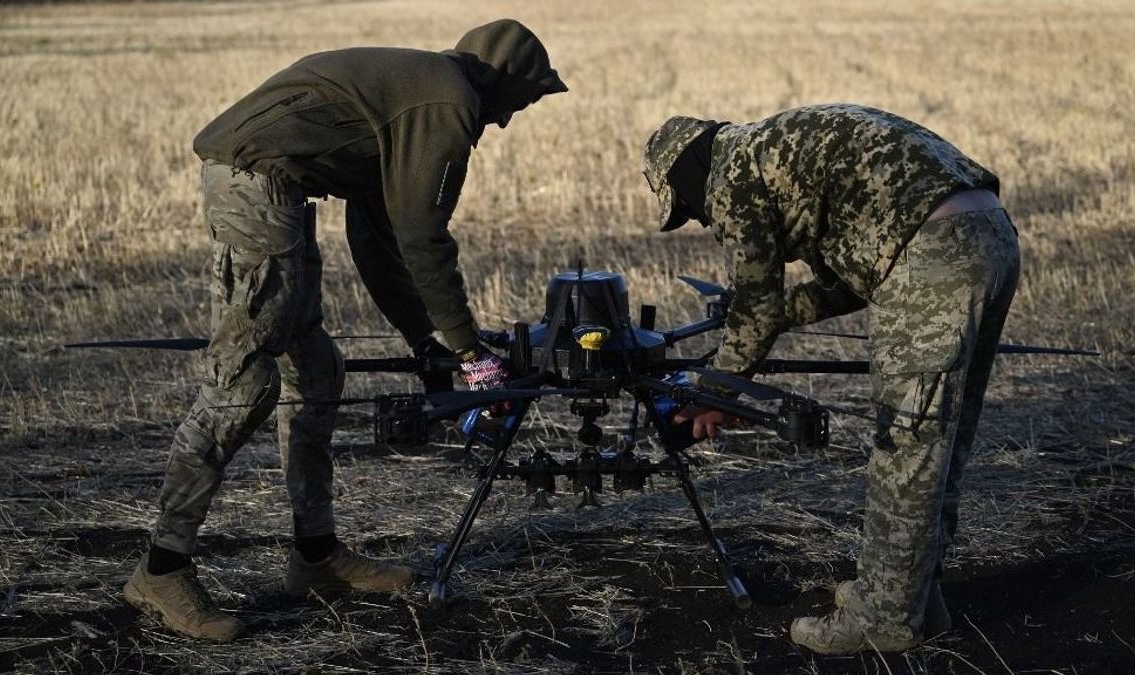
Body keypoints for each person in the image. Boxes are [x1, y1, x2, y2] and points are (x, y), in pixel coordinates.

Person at [123, 19, 567, 642]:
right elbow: (425, 241)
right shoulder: (449, 101)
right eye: (521, 102)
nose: (507, 121)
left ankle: (316, 557)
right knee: (243, 385)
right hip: (256, 183)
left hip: (281, 190)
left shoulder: (420, 94)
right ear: (503, 81)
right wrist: (472, 355)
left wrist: (425, 344)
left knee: (318, 370)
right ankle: (161, 569)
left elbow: (378, 239)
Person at [642, 104, 1020, 654]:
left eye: (689, 208)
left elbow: (755, 305)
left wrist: (715, 393)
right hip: (990, 237)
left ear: (685, 172)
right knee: (940, 438)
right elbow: (846, 282)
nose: (702, 219)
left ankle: (884, 621)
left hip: (933, 256)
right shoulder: (779, 147)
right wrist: (778, 312)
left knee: (905, 444)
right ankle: (914, 596)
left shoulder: (730, 174)